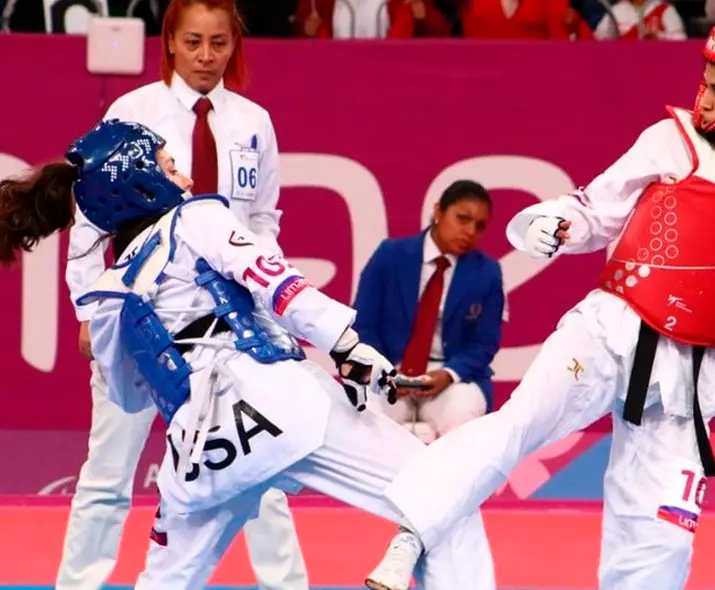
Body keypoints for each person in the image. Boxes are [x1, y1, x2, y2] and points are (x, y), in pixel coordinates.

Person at [365, 8, 715, 590]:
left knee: (663, 536)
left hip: (684, 377)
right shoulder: (671, 140)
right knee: (518, 425)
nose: (703, 99)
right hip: (608, 331)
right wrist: (557, 222)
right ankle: (410, 537)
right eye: (705, 82)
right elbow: (594, 208)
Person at [0, 119, 496, 590]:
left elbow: (130, 398)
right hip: (284, 407)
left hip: (200, 452)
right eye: (170, 167)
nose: (186, 177)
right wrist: (346, 346)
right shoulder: (197, 217)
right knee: (444, 498)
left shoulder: (109, 293)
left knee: (164, 581)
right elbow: (276, 282)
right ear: (140, 183)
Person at [60, 1, 309, 588]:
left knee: (260, 467)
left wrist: (266, 297)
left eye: (218, 43)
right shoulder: (133, 111)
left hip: (228, 326)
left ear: (234, 44)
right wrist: (87, 307)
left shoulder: (253, 121)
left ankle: (287, 585)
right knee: (108, 472)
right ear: (170, 40)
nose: (205, 56)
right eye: (193, 42)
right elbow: (90, 222)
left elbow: (262, 221)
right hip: (142, 315)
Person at [355, 180, 503, 444]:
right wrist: (384, 371)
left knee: (463, 414)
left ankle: (453, 474)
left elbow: (485, 344)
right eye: (463, 219)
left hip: (450, 376)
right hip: (389, 369)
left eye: (480, 226)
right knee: (368, 412)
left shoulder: (487, 273)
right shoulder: (389, 256)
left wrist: (449, 374)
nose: (470, 231)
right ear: (438, 211)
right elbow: (362, 325)